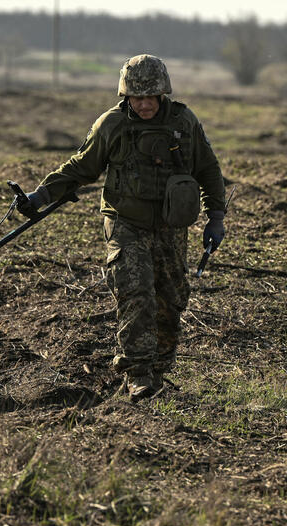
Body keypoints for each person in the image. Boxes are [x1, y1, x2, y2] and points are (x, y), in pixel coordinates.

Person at [16, 54, 227, 401]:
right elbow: (80, 167)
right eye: (136, 98)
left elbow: (208, 169)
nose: (144, 105)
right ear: (125, 96)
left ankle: (158, 370)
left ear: (163, 95)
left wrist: (216, 217)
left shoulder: (184, 122)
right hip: (125, 222)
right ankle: (138, 373)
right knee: (136, 294)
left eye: (150, 97)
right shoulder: (112, 125)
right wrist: (39, 196)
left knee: (171, 300)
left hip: (172, 226)